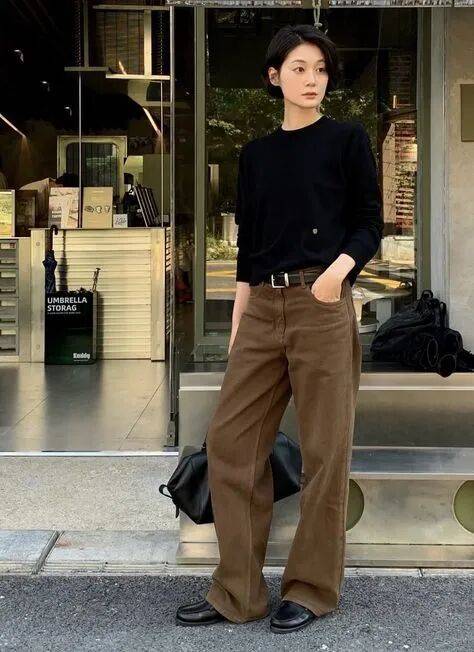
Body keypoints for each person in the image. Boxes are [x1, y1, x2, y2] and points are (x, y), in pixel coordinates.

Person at [176, 24, 384, 634]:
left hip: (321, 303)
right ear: (274, 77)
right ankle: (238, 592)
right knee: (231, 444)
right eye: (299, 68)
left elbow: (369, 224)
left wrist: (335, 276)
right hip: (263, 308)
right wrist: (240, 316)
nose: (312, 79)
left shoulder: (347, 140)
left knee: (325, 452)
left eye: (320, 69)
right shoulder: (257, 155)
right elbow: (250, 245)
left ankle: (312, 588)